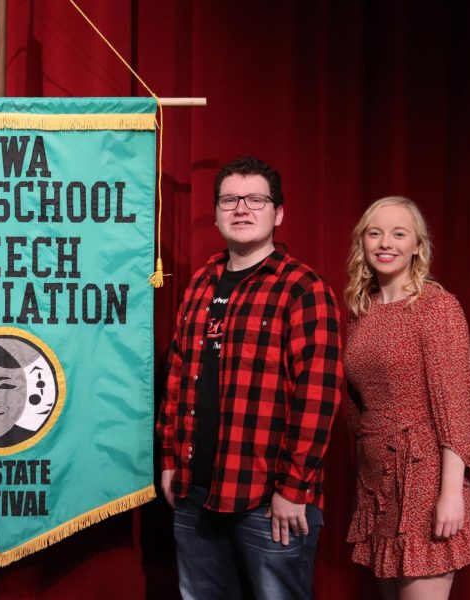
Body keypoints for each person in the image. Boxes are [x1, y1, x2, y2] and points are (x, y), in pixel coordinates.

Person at [157, 156, 343, 599]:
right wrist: (169, 462)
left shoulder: (303, 288)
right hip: (194, 492)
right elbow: (178, 377)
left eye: (255, 199)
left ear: (278, 213)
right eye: (229, 200)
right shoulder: (201, 283)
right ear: (218, 213)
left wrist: (294, 489)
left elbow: (318, 398)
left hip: (269, 499)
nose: (241, 208)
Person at [343, 196, 470, 599]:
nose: (386, 243)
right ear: (363, 244)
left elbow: (456, 404)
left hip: (423, 478)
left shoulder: (437, 307)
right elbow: (357, 404)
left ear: (417, 246)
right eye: (375, 233)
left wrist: (451, 494)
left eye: (399, 233)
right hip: (377, 484)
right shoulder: (361, 311)